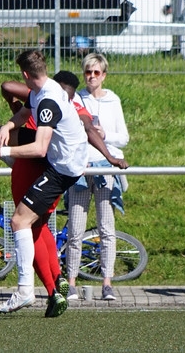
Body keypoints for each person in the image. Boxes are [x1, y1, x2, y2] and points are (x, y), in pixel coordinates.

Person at [0, 69, 128, 317]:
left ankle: (49, 289)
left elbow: (7, 87)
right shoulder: (63, 101)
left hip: (33, 165)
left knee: (26, 227)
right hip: (53, 172)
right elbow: (89, 130)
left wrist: (19, 108)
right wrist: (21, 105)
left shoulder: (51, 99)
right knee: (40, 226)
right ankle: (57, 279)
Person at [0, 50, 89, 315]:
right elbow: (25, 112)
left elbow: (40, 148)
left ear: (26, 74)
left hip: (63, 168)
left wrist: (1, 152)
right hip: (61, 160)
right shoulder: (42, 89)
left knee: (20, 221)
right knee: (31, 223)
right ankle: (52, 282)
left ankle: (25, 291)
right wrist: (8, 126)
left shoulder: (49, 99)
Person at [66, 53, 130, 302]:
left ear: (103, 75)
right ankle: (71, 282)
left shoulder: (113, 100)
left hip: (105, 167)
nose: (91, 77)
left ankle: (107, 283)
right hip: (82, 169)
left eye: (96, 72)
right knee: (75, 228)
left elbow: (123, 138)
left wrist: (105, 135)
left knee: (106, 227)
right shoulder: (76, 98)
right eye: (87, 72)